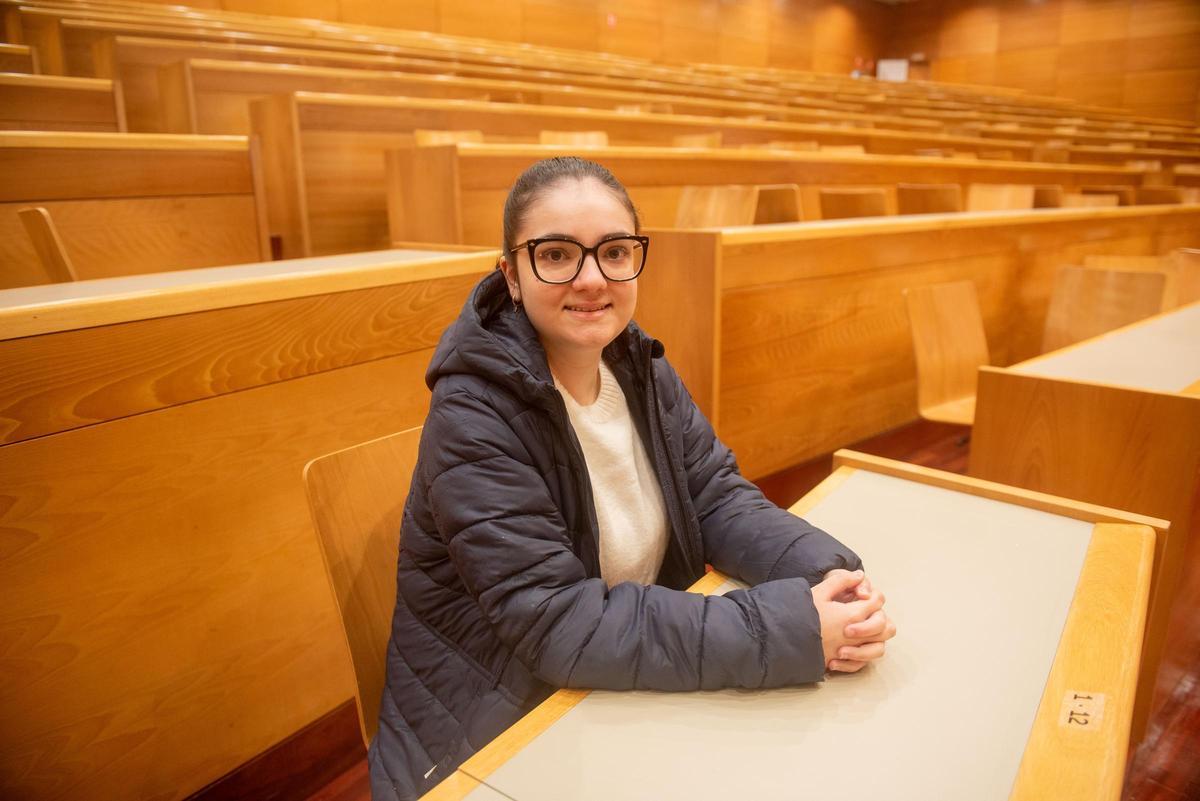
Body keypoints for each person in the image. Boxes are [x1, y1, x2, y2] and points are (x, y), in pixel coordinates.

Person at [370, 156, 896, 800]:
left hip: (614, 684)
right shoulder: (473, 415)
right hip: (500, 722)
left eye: (615, 252)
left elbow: (717, 497)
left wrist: (834, 578)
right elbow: (560, 624)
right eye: (557, 255)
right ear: (510, 274)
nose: (592, 279)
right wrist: (791, 629)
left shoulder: (635, 364)